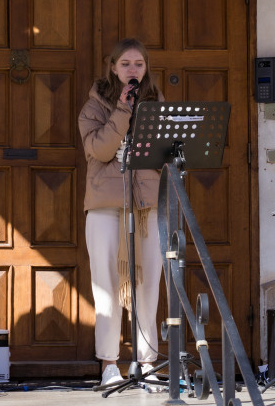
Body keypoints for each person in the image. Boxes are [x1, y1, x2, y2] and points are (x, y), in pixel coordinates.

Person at [78, 38, 165, 390]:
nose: (133, 70)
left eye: (139, 64)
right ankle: (110, 364)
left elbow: (164, 152)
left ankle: (145, 363)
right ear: (113, 67)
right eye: (126, 64)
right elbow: (99, 149)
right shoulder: (95, 106)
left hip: (146, 209)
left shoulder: (156, 103)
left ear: (146, 69)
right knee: (107, 288)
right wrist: (123, 110)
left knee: (148, 287)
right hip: (105, 208)